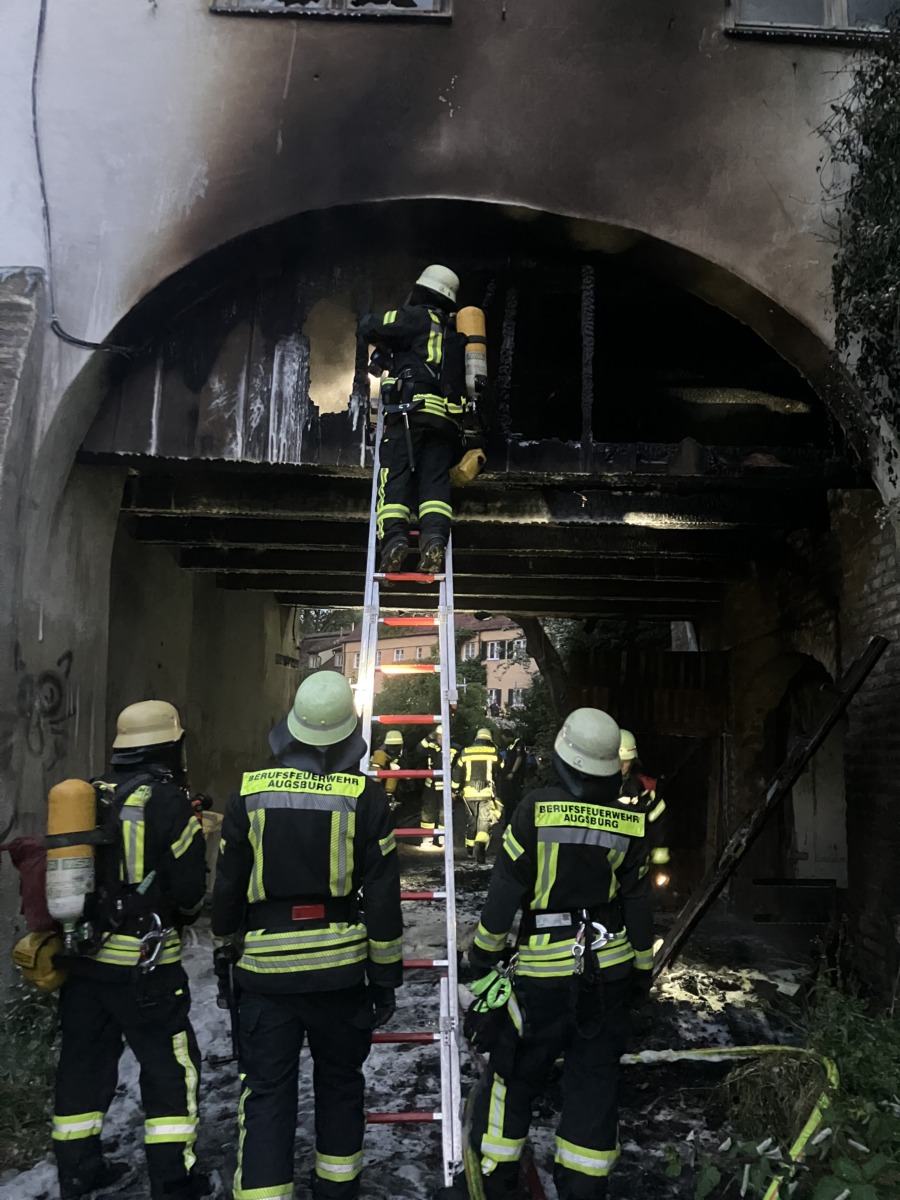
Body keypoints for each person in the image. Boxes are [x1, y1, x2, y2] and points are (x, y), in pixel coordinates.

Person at [211, 671, 402, 1200]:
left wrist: (223, 951)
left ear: (289, 730)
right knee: (340, 1086)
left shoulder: (248, 793)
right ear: (349, 735)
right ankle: (337, 1191)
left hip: (265, 977)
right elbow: (383, 897)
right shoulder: (365, 797)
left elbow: (227, 886)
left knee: (267, 1093)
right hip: (341, 977)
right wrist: (384, 979)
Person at [465, 708, 654, 1200]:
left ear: (564, 759)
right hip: (606, 976)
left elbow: (505, 892)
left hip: (542, 978)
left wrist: (482, 956)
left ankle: (499, 1179)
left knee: (515, 1074)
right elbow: (638, 904)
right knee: (594, 1085)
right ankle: (584, 1188)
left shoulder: (534, 808)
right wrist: (640, 971)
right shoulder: (630, 822)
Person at [52, 701, 207, 1200]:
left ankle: (79, 1172)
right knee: (169, 1070)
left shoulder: (86, 794)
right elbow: (188, 893)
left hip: (82, 959)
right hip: (146, 968)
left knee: (83, 1065)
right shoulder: (168, 801)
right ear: (169, 745)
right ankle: (173, 1180)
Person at [359, 264, 466, 577]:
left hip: (409, 413)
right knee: (434, 482)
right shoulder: (455, 336)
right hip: (444, 421)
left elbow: (373, 325)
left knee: (394, 476)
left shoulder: (417, 317)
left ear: (423, 291)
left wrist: (365, 318)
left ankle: (393, 540)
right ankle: (434, 539)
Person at [618, 728, 670, 879]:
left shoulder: (647, 794)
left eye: (625, 760)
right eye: (617, 760)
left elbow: (659, 831)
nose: (621, 765)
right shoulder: (594, 791)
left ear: (633, 760)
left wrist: (660, 868)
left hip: (636, 872)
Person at [452, 727, 500, 864]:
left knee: (472, 821)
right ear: (489, 740)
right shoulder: (493, 751)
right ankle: (480, 848)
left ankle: (469, 850)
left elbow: (457, 773)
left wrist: (455, 790)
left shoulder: (466, 752)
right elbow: (501, 767)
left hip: (469, 792)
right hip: (486, 792)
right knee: (484, 822)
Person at [413, 722, 455, 850]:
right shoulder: (430, 747)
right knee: (427, 813)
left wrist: (455, 790)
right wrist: (428, 737)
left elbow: (458, 770)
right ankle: (427, 839)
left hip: (446, 787)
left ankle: (443, 839)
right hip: (430, 786)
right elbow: (419, 749)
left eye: (443, 736)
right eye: (438, 736)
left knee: (445, 814)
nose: (441, 738)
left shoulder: (455, 749)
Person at [370, 728, 406, 812]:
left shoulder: (402, 752)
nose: (393, 749)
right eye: (392, 746)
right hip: (378, 788)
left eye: (396, 746)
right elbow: (375, 777)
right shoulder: (380, 754)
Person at [497, 735, 527, 829]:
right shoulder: (510, 745)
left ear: (508, 736)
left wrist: (512, 772)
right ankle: (508, 822)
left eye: (504, 738)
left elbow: (519, 758)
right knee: (507, 801)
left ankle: (511, 823)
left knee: (511, 801)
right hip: (508, 776)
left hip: (514, 777)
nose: (503, 740)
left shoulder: (518, 743)